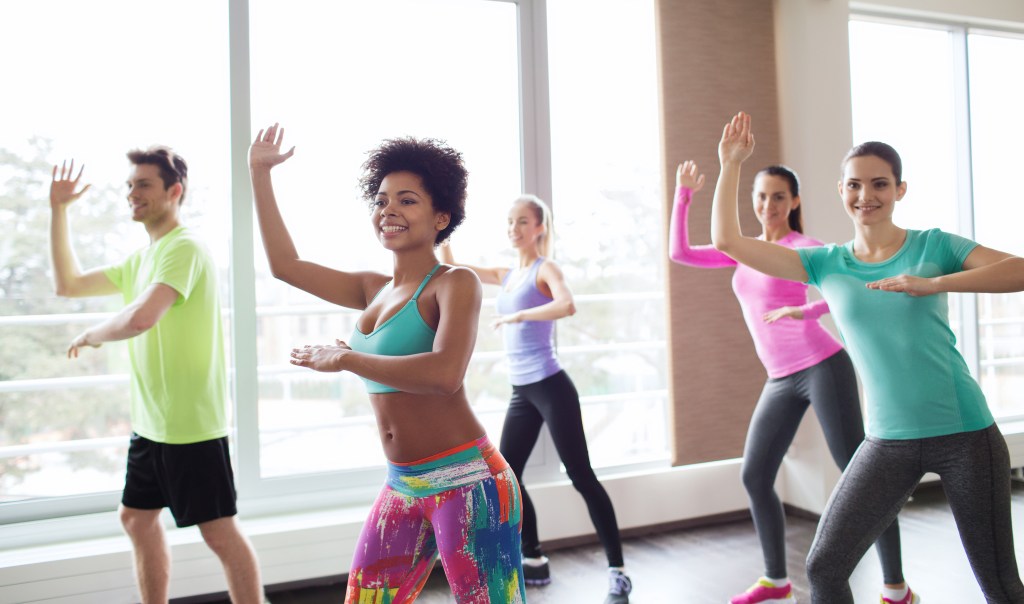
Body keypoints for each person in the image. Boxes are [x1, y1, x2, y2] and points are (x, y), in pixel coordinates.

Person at [710, 111, 1024, 604]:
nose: (866, 196)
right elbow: (728, 242)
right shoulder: (823, 262)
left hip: (965, 434)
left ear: (900, 190)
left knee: (1000, 587)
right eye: (855, 185)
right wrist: (730, 165)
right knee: (824, 567)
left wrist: (935, 283)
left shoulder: (933, 246)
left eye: (880, 184)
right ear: (840, 191)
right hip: (888, 441)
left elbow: (1019, 270)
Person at [248, 124, 525, 604]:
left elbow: (443, 376)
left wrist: (349, 358)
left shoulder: (454, 284)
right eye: (380, 200)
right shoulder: (370, 288)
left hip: (470, 483)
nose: (388, 210)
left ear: (441, 216)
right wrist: (259, 173)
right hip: (403, 483)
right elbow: (284, 266)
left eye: (407, 200)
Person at [669, 160, 909, 603]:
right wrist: (683, 195)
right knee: (756, 474)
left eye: (778, 196)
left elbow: (849, 287)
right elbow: (680, 253)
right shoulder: (743, 248)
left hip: (822, 365)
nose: (768, 205)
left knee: (862, 475)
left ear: (794, 201)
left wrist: (806, 310)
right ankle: (776, 581)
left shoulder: (803, 247)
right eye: (760, 196)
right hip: (780, 376)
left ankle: (896, 587)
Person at [49, 151, 264, 603]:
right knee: (136, 518)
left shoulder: (183, 247)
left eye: (143, 184)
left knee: (219, 533)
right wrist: (59, 210)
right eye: (129, 185)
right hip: (151, 426)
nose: (132, 193)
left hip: (189, 426)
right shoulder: (140, 260)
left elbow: (142, 317)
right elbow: (67, 284)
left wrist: (92, 334)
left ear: (174, 191)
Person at [440, 195, 632, 604]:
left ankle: (618, 571)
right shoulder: (507, 273)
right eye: (510, 221)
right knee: (507, 476)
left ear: (539, 228)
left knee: (581, 476)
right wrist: (445, 222)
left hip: (551, 385)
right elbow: (453, 264)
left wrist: (520, 315)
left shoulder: (546, 269)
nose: (514, 228)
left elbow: (567, 304)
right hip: (521, 391)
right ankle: (534, 557)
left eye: (522, 221)